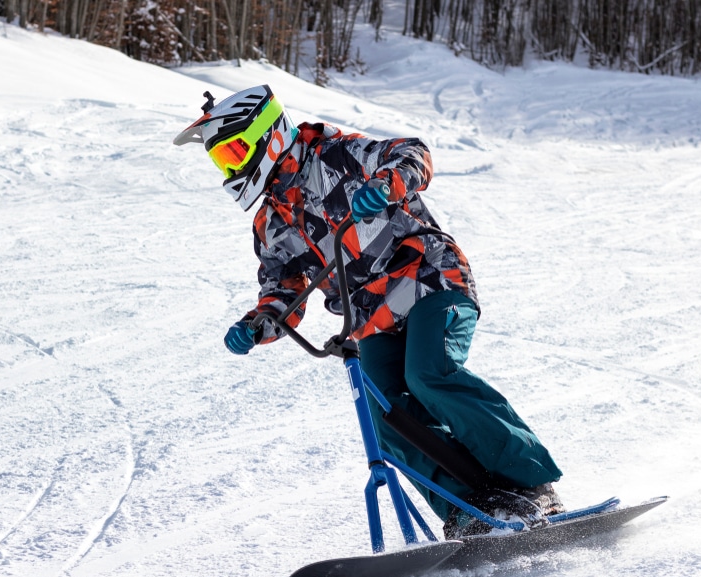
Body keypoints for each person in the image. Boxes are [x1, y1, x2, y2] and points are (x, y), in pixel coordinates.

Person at [173, 84, 564, 538]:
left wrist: (387, 183)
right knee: (385, 417)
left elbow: (412, 154)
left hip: (430, 279)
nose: (232, 167)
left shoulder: (335, 154)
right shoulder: (270, 222)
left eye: (236, 152)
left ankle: (532, 484)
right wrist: (259, 324)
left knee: (428, 374)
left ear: (269, 133)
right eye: (222, 160)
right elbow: (283, 287)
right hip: (372, 317)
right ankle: (471, 506)